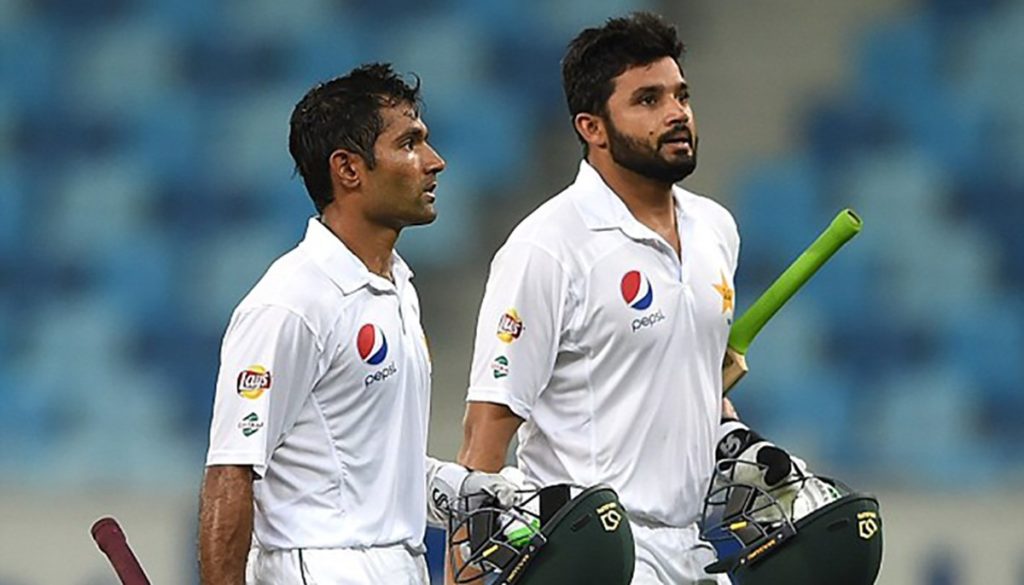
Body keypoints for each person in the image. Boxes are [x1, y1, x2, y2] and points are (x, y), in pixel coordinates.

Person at [198, 63, 517, 585]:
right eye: (410, 143)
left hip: (399, 563)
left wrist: (457, 491)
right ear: (348, 169)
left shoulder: (397, 289)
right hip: (322, 567)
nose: (435, 163)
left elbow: (361, 469)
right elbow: (231, 472)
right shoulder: (290, 302)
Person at [456, 13, 744, 584]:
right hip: (590, 553)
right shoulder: (547, 247)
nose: (676, 113)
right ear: (592, 127)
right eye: (648, 100)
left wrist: (730, 428)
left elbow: (692, 384)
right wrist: (463, 576)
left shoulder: (716, 228)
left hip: (690, 549)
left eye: (681, 95)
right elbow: (485, 430)